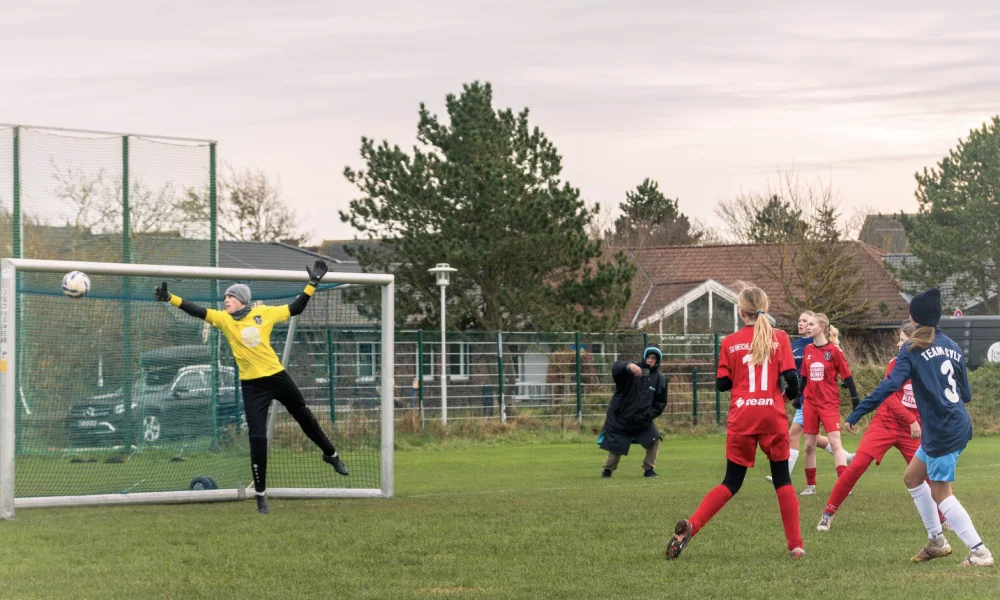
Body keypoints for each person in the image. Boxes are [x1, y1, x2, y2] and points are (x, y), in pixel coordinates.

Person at [154, 260, 349, 515]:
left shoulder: (264, 313)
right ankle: (260, 495)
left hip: (277, 377)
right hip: (252, 387)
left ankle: (331, 455)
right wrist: (171, 298)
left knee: (305, 417)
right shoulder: (224, 320)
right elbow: (197, 310)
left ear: (243, 300)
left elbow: (296, 308)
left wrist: (312, 283)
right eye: (225, 297)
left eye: (231, 297)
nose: (226, 300)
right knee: (257, 438)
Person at [846, 288, 992, 567]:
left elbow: (890, 386)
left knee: (941, 494)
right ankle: (936, 541)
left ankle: (980, 552)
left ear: (914, 318)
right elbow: (967, 394)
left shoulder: (911, 350)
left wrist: (858, 411)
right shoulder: (951, 345)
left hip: (942, 430)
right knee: (913, 477)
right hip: (956, 423)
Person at [666, 285, 804, 560]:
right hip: (772, 416)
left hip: (742, 417)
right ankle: (796, 546)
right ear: (766, 306)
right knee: (783, 481)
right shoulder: (780, 337)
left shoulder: (729, 342)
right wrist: (783, 398)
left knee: (730, 482)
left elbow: (721, 384)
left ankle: (693, 524)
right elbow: (792, 379)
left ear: (740, 312)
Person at [817, 321, 949, 532]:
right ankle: (828, 513)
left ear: (916, 342)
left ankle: (944, 519)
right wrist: (910, 419)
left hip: (912, 431)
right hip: (886, 424)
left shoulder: (930, 366)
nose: (898, 344)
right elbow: (889, 397)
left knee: (928, 474)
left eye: (903, 341)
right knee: (857, 465)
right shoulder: (896, 363)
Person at [766, 311, 854, 484]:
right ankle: (845, 456)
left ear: (818, 326)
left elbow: (837, 366)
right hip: (803, 396)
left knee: (796, 436)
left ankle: (783, 477)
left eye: (806, 321)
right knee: (810, 440)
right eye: (800, 321)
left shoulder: (822, 346)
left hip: (817, 398)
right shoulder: (796, 345)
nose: (802, 324)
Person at [797, 313, 859, 496]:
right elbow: (804, 377)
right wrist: (798, 396)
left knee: (835, 442)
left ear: (822, 327)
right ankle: (811, 486)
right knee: (809, 445)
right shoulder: (808, 349)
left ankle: (843, 486)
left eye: (811, 324)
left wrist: (856, 400)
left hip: (829, 404)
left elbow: (847, 377)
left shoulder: (834, 351)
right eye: (806, 324)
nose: (807, 327)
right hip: (810, 403)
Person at [598, 344, 667, 478]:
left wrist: (649, 415)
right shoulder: (631, 370)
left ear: (658, 360)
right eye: (648, 356)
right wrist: (628, 366)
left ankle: (649, 469)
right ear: (644, 356)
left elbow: (660, 402)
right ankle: (608, 470)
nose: (650, 360)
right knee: (617, 446)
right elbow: (615, 368)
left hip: (643, 420)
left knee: (654, 440)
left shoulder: (660, 379)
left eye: (653, 358)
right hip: (623, 418)